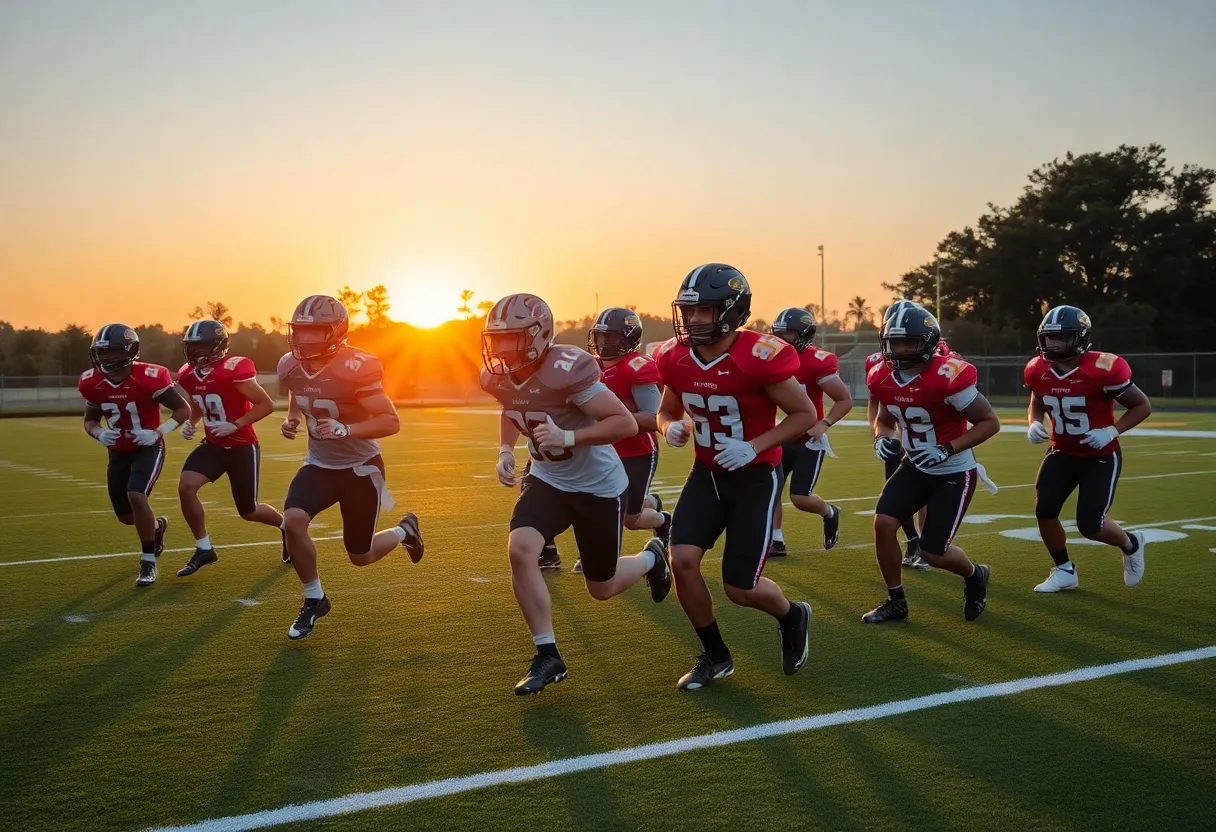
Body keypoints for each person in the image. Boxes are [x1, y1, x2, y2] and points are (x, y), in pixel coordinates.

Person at [483, 292, 671, 695]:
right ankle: (547, 655)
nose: (500, 349)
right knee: (520, 549)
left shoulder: (567, 369)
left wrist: (569, 434)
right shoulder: (499, 375)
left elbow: (624, 424)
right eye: (495, 340)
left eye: (509, 338)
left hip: (597, 485)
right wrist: (504, 450)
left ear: (538, 335)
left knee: (601, 587)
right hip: (548, 478)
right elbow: (510, 405)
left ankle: (650, 558)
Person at [656, 263, 816, 690]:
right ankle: (715, 654)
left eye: (704, 311)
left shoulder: (760, 356)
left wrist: (755, 444)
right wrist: (667, 425)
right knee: (683, 561)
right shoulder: (674, 356)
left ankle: (791, 614)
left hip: (755, 476)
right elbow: (667, 408)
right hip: (706, 472)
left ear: (731, 311)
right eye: (688, 311)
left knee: (740, 589)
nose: (692, 320)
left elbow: (805, 414)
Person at [277, 295, 423, 640]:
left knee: (361, 555)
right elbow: (300, 389)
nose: (305, 339)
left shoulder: (356, 366)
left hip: (360, 467)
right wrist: (293, 416)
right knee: (292, 521)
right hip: (320, 464)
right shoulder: (290, 365)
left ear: (336, 332)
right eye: (300, 331)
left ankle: (405, 530)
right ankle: (314, 598)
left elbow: (390, 421)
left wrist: (347, 429)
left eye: (314, 332)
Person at [865, 303, 1000, 623]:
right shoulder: (881, 375)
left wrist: (947, 448)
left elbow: (988, 423)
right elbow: (884, 420)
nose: (899, 350)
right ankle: (896, 601)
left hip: (952, 471)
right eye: (893, 342)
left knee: (932, 552)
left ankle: (974, 575)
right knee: (883, 525)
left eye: (908, 342)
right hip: (914, 464)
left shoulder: (947, 376)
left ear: (927, 342)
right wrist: (881, 437)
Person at [1023, 305, 1152, 592]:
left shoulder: (1103, 369)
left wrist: (1111, 430)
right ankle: (1064, 570)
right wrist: (1034, 422)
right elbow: (1038, 399)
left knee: (1091, 526)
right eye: (1049, 337)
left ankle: (1131, 544)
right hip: (1061, 451)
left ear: (1079, 339)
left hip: (1099, 457)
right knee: (1044, 511)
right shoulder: (1037, 369)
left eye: (1061, 338)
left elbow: (1142, 405)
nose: (1053, 344)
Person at [78, 324, 191, 586]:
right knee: (126, 516)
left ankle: (148, 561)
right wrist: (98, 433)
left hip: (147, 446)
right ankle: (156, 527)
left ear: (130, 352)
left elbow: (182, 409)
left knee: (136, 495)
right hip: (118, 452)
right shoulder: (91, 382)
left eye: (112, 352)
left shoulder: (150, 376)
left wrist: (159, 432)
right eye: (101, 353)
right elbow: (90, 421)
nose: (105, 358)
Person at [175, 320, 285, 577]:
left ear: (218, 346)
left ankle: (286, 526)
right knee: (186, 486)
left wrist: (236, 424)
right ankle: (204, 548)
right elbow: (199, 403)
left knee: (249, 511)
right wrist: (192, 422)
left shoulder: (232, 369)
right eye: (193, 346)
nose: (197, 352)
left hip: (241, 447)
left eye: (202, 346)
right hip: (214, 446)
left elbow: (265, 404)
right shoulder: (188, 374)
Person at [766, 307, 853, 556]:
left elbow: (843, 400)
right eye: (779, 334)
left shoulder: (816, 362)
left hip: (807, 440)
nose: (782, 340)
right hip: (779, 436)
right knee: (770, 490)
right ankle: (776, 540)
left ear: (804, 334)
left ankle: (829, 512)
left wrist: (824, 423)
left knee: (800, 498)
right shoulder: (767, 359)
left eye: (789, 334)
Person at [866, 300, 928, 568]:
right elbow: (875, 402)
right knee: (895, 497)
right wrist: (878, 434)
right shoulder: (876, 362)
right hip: (898, 435)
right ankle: (914, 539)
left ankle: (926, 543)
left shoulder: (939, 357)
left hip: (928, 437)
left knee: (925, 495)